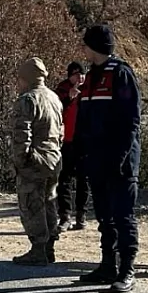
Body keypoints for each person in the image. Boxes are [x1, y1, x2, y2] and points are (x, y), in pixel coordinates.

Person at [75, 24, 141, 293]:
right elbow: (84, 119)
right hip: (96, 159)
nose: (82, 49)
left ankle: (127, 269)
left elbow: (131, 121)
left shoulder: (121, 74)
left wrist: (120, 156)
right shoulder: (91, 76)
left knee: (123, 216)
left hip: (119, 161)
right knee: (104, 216)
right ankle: (108, 265)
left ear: (95, 47)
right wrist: (79, 152)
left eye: (85, 45)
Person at [10, 58, 64, 265]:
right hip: (53, 158)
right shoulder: (53, 97)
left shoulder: (27, 100)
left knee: (31, 204)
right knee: (49, 202)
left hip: (34, 160)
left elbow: (22, 134)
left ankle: (38, 249)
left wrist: (20, 160)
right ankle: (49, 247)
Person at [55, 61, 89, 231]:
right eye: (76, 74)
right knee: (64, 179)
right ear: (70, 75)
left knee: (84, 179)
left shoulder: (90, 89)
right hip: (66, 140)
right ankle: (65, 216)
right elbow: (55, 111)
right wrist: (69, 97)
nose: (79, 77)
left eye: (82, 74)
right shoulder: (61, 90)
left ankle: (82, 215)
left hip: (85, 141)